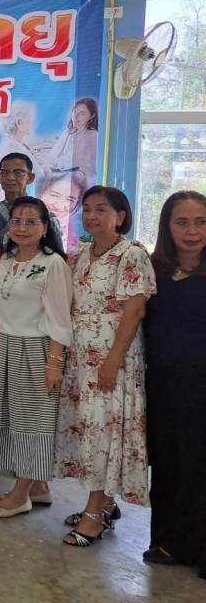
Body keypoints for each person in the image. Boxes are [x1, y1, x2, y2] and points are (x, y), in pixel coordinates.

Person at [55, 186, 154, 547]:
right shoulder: (80, 255)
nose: (92, 216)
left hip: (113, 358)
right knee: (90, 429)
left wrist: (112, 361)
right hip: (81, 359)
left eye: (101, 209)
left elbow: (135, 310)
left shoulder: (132, 254)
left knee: (104, 432)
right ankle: (104, 503)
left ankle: (94, 514)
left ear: (120, 216)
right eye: (87, 209)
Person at [0, 197, 72, 519]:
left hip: (38, 350)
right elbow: (1, 308)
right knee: (14, 420)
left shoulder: (53, 264)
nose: (22, 227)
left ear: (45, 228)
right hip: (8, 345)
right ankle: (39, 487)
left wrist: (54, 363)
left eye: (31, 221)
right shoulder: (6, 260)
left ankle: (19, 495)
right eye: (16, 221)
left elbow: (60, 317)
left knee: (34, 423)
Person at [143, 191, 206, 575]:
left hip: (201, 389)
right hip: (163, 387)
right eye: (182, 222)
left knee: (199, 465)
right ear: (167, 226)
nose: (192, 231)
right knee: (167, 462)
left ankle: (193, 545)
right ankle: (168, 539)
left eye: (201, 222)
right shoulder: (154, 272)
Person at [0, 153, 60, 249]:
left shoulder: (44, 215)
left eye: (18, 173)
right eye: (4, 172)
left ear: (30, 178)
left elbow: (57, 252)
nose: (10, 177)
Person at [45, 97, 98, 184]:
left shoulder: (93, 135)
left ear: (92, 116)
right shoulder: (69, 131)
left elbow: (75, 161)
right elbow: (53, 155)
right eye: (74, 112)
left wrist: (56, 163)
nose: (76, 117)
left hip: (82, 182)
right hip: (64, 178)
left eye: (82, 113)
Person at [37, 170, 87, 253]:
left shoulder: (76, 228)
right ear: (41, 192)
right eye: (54, 195)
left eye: (70, 199)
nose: (59, 205)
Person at [0, 103, 40, 176]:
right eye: (29, 120)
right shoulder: (12, 148)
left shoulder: (16, 145)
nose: (32, 123)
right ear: (19, 123)